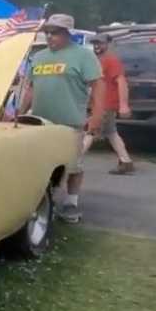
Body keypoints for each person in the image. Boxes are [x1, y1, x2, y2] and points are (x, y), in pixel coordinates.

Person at [19, 14, 105, 223]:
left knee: (73, 164)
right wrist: (19, 113)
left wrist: (96, 117)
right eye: (47, 32)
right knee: (42, 163)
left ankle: (71, 203)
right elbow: (30, 88)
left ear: (67, 33)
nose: (49, 36)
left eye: (55, 32)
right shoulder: (39, 57)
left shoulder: (83, 56)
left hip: (70, 122)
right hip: (40, 123)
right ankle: (42, 199)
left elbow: (98, 86)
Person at [83, 33, 135, 174]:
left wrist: (123, 105)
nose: (97, 46)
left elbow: (121, 81)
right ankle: (126, 162)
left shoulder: (111, 61)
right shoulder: (97, 60)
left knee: (91, 131)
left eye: (100, 43)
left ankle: (73, 163)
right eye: (95, 43)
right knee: (111, 132)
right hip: (99, 103)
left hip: (105, 104)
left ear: (108, 44)